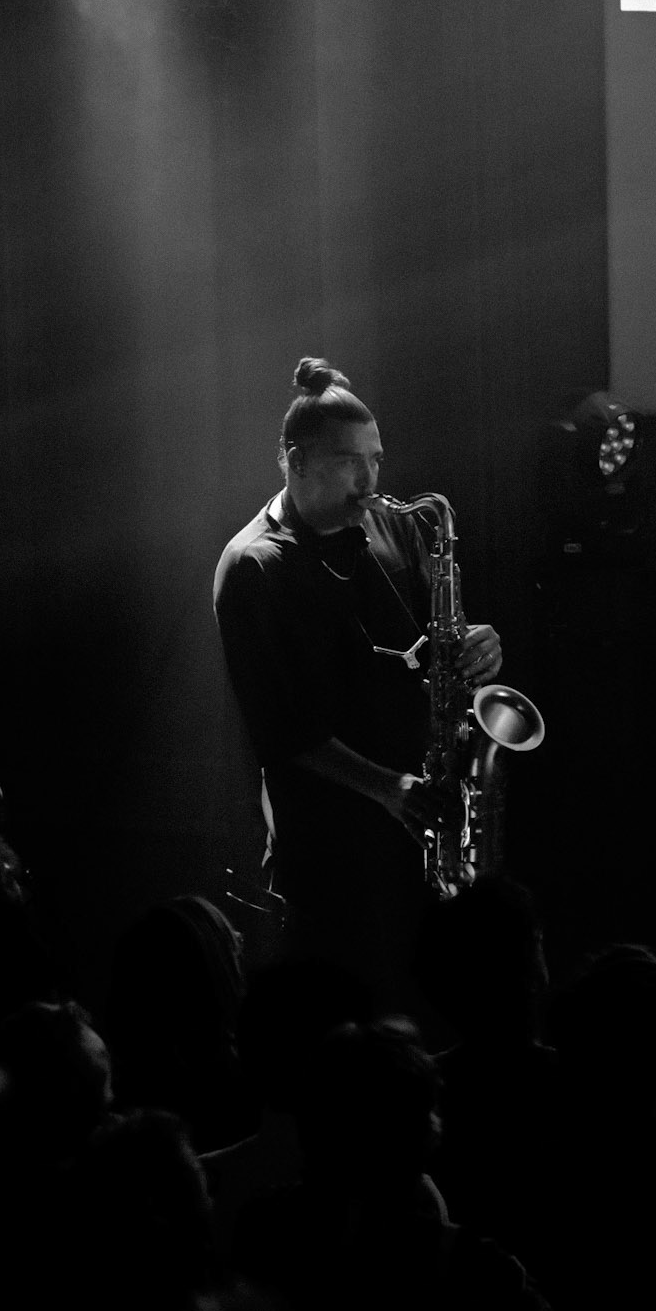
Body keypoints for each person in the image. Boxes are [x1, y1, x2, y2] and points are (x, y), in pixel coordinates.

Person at [213, 357, 502, 1004]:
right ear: (294, 459)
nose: (371, 481)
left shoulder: (392, 524)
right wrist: (391, 789)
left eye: (376, 459)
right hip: (331, 850)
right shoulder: (255, 568)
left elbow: (435, 645)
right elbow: (284, 733)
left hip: (415, 823)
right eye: (350, 461)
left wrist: (478, 649)